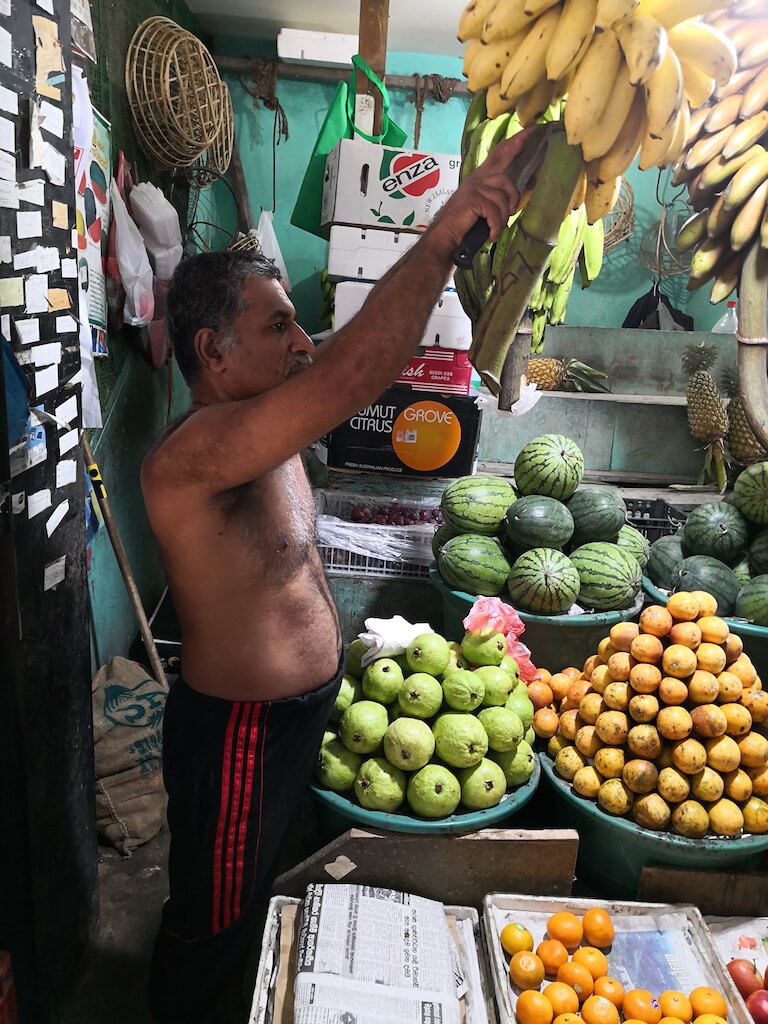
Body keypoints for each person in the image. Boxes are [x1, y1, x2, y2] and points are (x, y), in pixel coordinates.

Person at [141, 126, 532, 1024]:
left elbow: (337, 359)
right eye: (277, 326)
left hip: (300, 718)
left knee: (266, 906)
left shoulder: (263, 420)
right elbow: (359, 369)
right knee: (212, 927)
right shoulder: (194, 456)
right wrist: (442, 235)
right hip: (241, 736)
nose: (301, 344)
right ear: (212, 352)